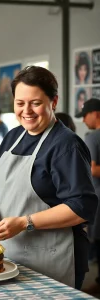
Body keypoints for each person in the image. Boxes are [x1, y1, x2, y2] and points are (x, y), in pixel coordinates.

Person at [0, 66, 98, 289]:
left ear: (53, 102)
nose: (27, 111)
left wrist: (25, 222)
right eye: (20, 103)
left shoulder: (66, 145)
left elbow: (82, 206)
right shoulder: (13, 136)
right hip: (7, 254)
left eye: (35, 103)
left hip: (50, 259)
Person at [75, 98, 100, 294]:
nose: (83, 120)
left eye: (85, 115)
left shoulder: (92, 137)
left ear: (96, 114)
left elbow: (91, 170)